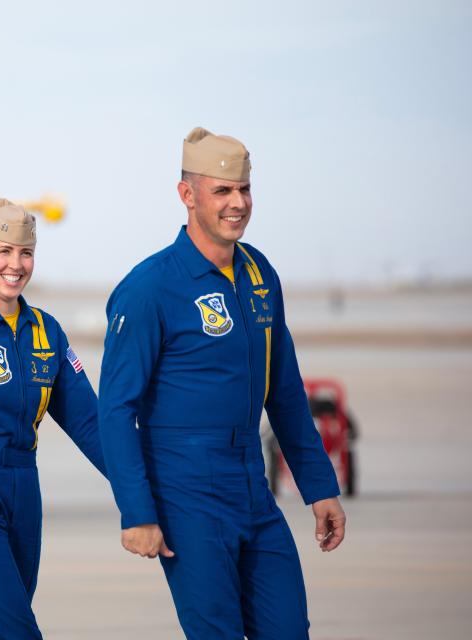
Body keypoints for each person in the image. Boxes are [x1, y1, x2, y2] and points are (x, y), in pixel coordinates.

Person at [99, 128, 347, 639]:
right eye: (222, 191)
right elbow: (116, 410)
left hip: (251, 485)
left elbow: (284, 392)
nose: (238, 204)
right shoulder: (150, 288)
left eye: (244, 190)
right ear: (187, 195)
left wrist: (319, 486)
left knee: (287, 629)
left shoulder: (260, 275)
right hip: (185, 490)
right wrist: (137, 511)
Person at [0, 198, 107, 639]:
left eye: (25, 253)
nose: (15, 264)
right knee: (15, 629)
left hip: (24, 492)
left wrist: (141, 482)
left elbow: (89, 423)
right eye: (3, 251)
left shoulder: (47, 332)